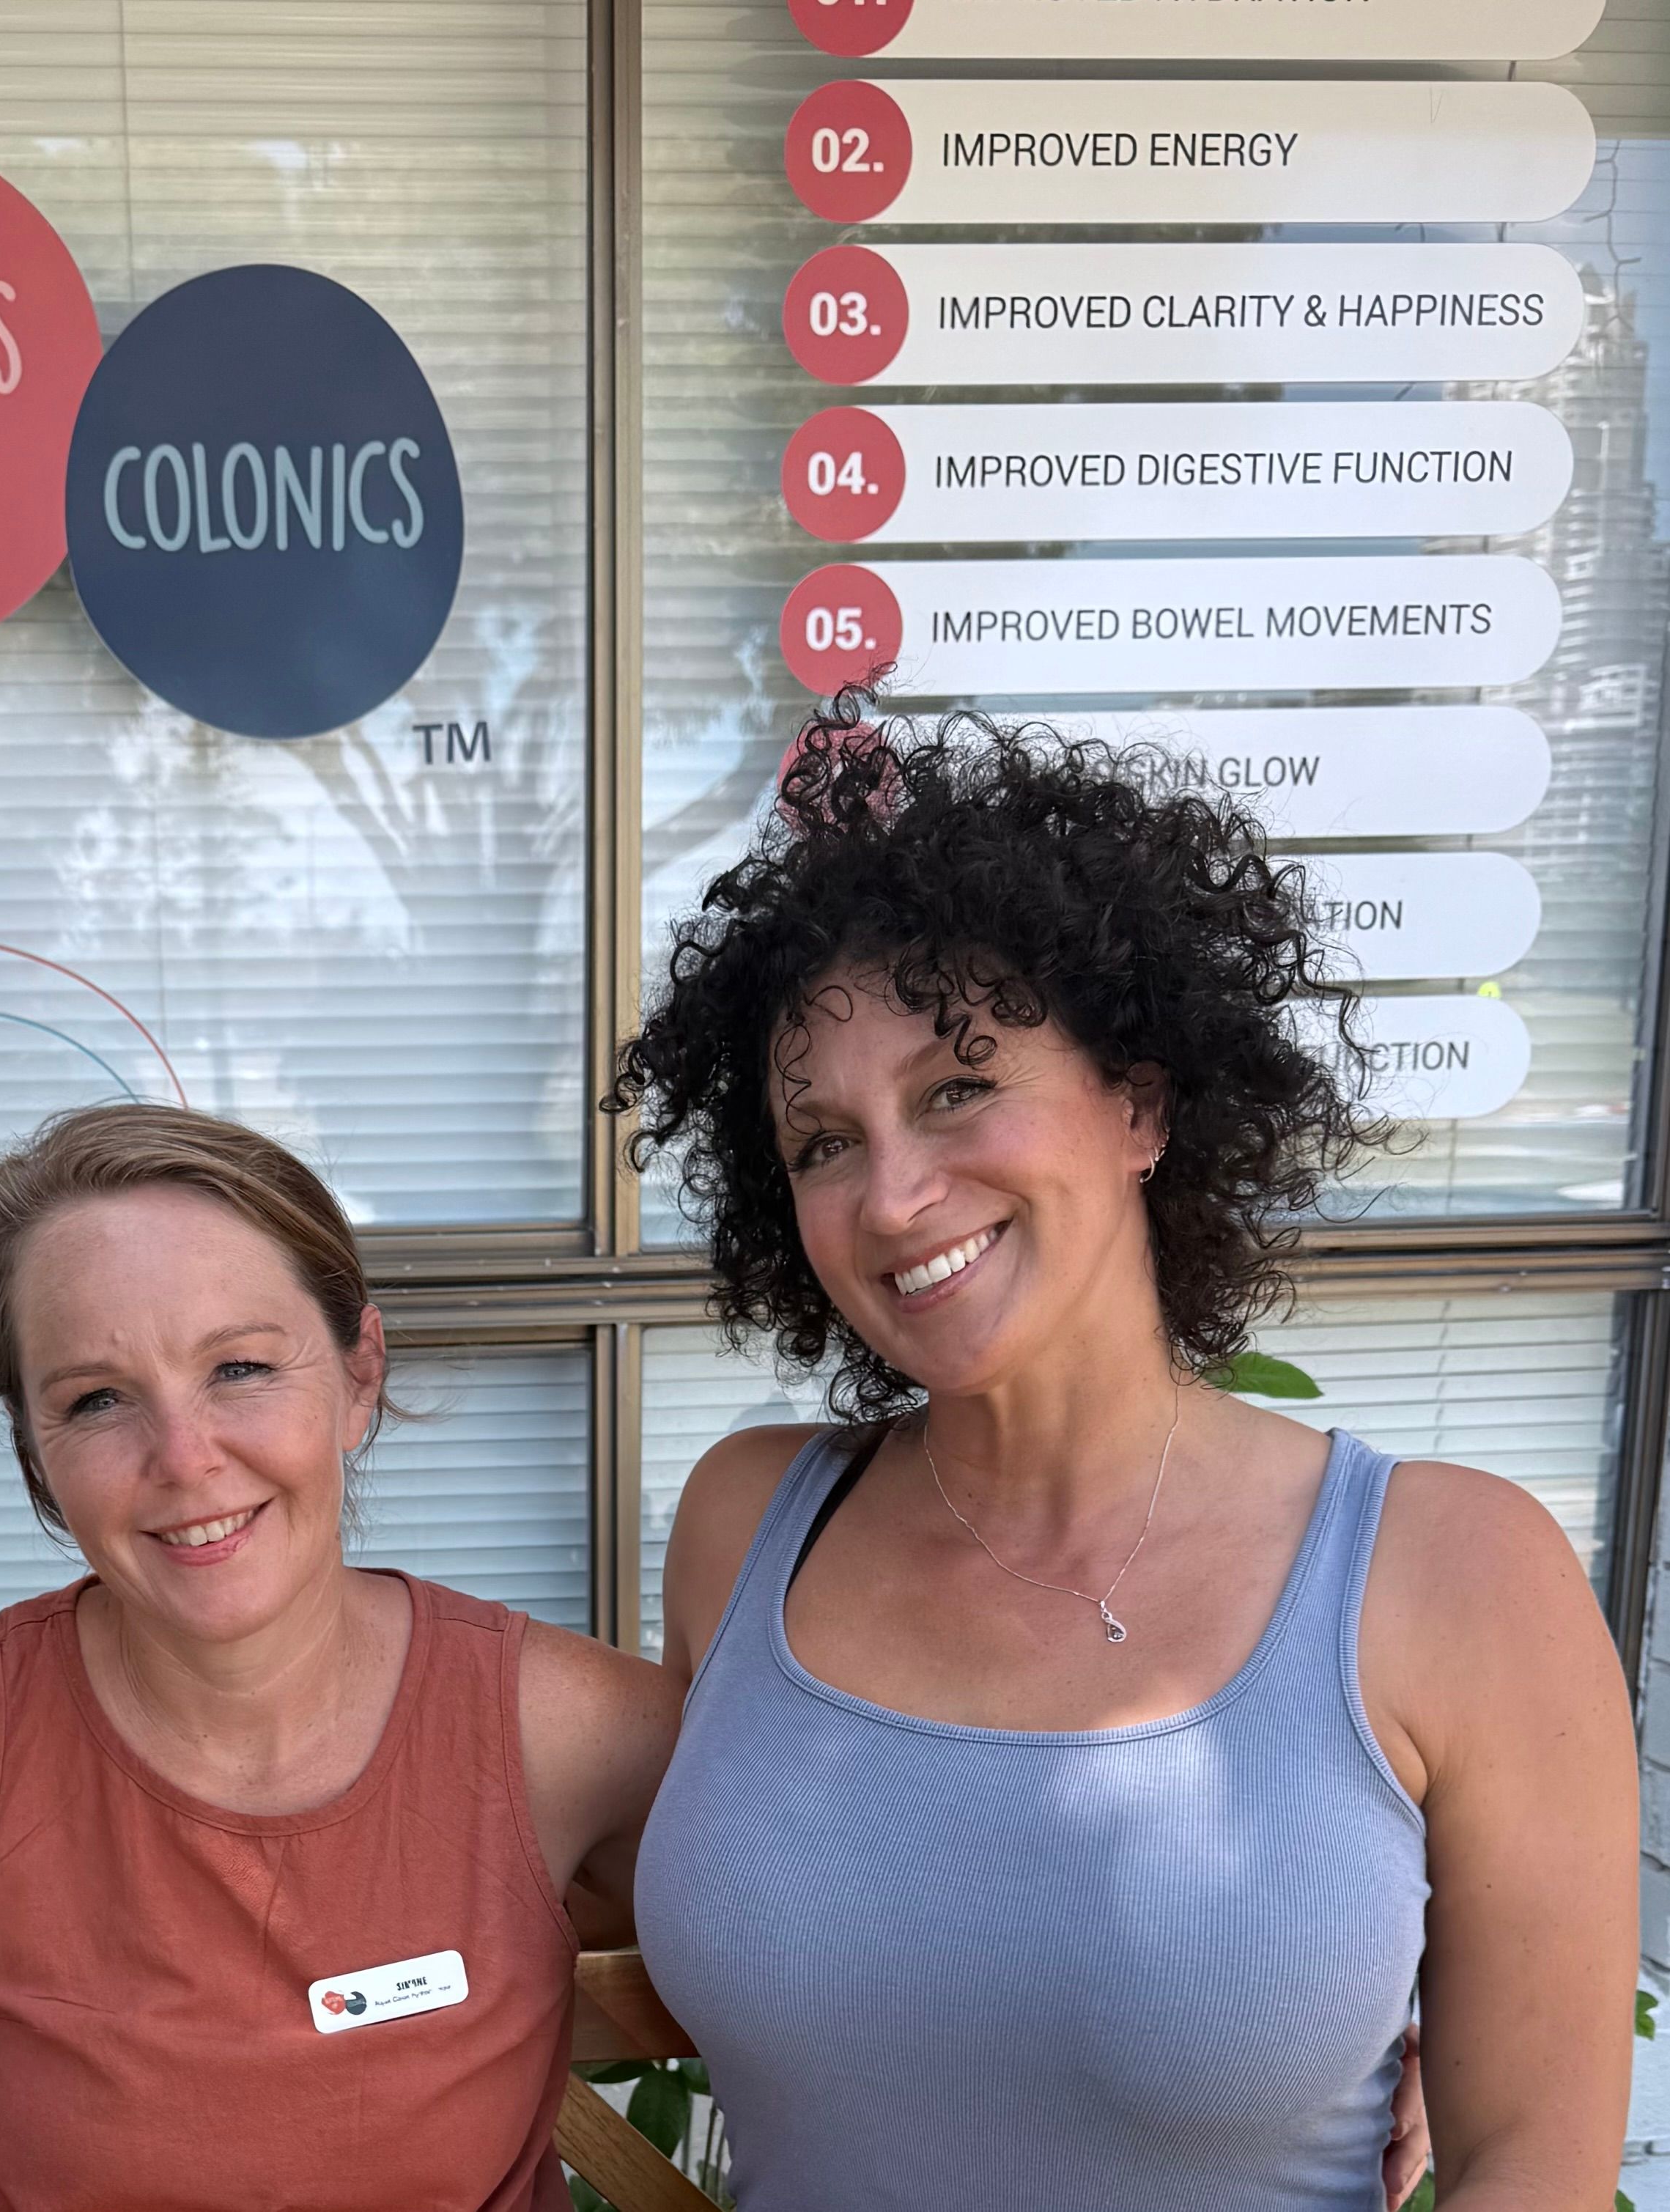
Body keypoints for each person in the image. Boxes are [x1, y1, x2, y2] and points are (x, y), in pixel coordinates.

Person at [613, 707, 1635, 2211]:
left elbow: (1531, 2168)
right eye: (821, 1141)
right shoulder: (749, 1521)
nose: (890, 1197)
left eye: (957, 1089)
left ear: (1139, 1107)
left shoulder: (1456, 1577)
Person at [0, 1104, 680, 2211]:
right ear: (32, 1443)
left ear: (360, 1372)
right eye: (96, 1399)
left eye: (241, 1367)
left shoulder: (574, 1732)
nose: (184, 1457)